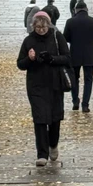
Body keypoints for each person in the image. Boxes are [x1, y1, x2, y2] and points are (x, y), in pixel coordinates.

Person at [17, 10, 71, 164]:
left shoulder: (57, 37)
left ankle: (53, 144)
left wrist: (51, 59)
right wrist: (30, 59)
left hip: (55, 84)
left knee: (54, 119)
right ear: (33, 27)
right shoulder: (28, 40)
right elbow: (20, 64)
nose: (41, 30)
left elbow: (67, 58)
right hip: (36, 86)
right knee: (40, 119)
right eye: (38, 28)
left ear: (49, 25)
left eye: (44, 28)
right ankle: (42, 154)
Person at [63, 0, 93, 111]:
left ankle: (75, 101)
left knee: (74, 78)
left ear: (76, 10)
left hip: (74, 53)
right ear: (86, 9)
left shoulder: (70, 22)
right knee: (88, 80)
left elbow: (65, 37)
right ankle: (85, 104)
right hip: (89, 54)